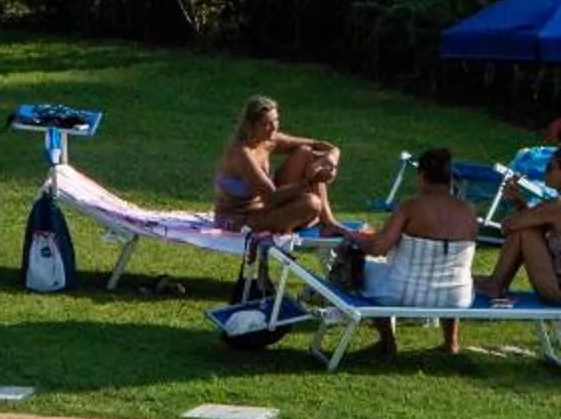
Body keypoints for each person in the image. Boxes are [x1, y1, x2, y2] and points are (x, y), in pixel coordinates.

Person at [352, 146, 479, 355]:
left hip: (406, 293)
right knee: (448, 270)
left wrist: (358, 241)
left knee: (364, 271)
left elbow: (378, 248)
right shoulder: (469, 210)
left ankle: (387, 342)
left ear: (421, 176)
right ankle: (451, 342)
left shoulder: (410, 207)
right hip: (457, 297)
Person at [213, 96, 349, 239]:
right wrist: (310, 181)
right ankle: (309, 219)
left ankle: (328, 222)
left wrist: (332, 157)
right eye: (267, 124)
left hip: (265, 207)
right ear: (251, 126)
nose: (274, 127)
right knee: (311, 204)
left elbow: (318, 145)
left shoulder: (268, 139)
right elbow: (271, 198)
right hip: (239, 219)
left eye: (276, 120)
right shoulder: (241, 153)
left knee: (305, 153)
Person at [480, 135, 561, 308]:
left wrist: (518, 209)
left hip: (557, 293)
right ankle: (495, 284)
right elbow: (534, 222)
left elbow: (510, 226)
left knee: (525, 230)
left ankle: (495, 284)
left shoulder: (556, 207)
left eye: (550, 167)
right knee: (527, 227)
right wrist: (518, 201)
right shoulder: (553, 208)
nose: (545, 171)